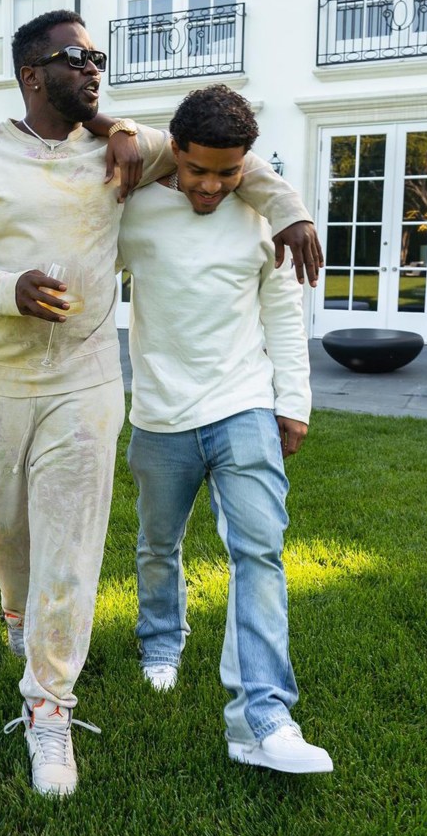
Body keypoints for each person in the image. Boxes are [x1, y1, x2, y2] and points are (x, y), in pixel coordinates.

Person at [0, 9, 320, 797]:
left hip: (89, 380)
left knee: (73, 541)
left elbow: (238, 167)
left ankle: (49, 707)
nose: (94, 67)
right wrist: (4, 289)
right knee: (10, 532)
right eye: (75, 57)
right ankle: (19, 617)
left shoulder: (127, 151)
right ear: (32, 72)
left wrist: (292, 211)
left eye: (98, 56)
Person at [118, 83, 333, 774]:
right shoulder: (138, 212)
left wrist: (292, 401)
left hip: (243, 405)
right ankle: (161, 639)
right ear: (173, 152)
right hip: (158, 412)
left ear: (248, 164)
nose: (211, 185)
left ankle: (262, 716)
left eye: (228, 172)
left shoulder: (265, 217)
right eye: (198, 169)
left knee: (260, 552)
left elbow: (284, 317)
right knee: (158, 542)